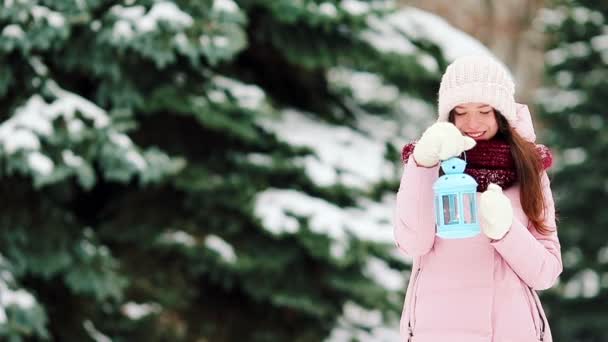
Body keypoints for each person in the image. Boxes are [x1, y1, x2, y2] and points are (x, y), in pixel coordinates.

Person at [394, 55, 562, 342]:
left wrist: (506, 232)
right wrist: (422, 165)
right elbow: (413, 243)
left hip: (512, 332)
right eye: (461, 111)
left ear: (502, 113)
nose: (473, 123)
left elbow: (546, 273)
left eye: (484, 111)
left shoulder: (529, 169)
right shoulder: (428, 163)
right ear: (448, 116)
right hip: (438, 330)